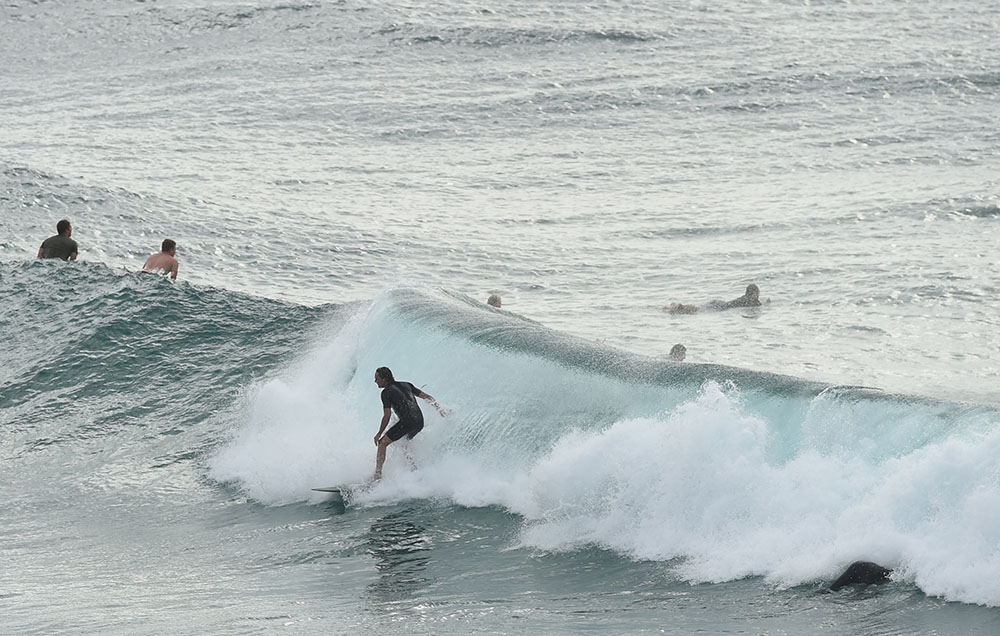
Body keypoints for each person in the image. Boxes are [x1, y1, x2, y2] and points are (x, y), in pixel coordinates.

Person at [372, 366, 447, 480]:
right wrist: (440, 409)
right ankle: (413, 469)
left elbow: (387, 416)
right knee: (404, 442)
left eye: (377, 378)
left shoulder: (386, 392)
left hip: (408, 422)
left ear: (384, 379)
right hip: (419, 421)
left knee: (382, 443)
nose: (375, 381)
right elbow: (427, 397)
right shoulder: (407, 384)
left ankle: (377, 477)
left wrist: (379, 434)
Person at [667, 284, 767, 314]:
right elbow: (760, 306)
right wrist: (767, 303)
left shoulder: (744, 297)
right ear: (755, 293)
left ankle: (676, 306)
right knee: (698, 310)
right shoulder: (753, 301)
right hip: (722, 306)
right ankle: (679, 306)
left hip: (720, 302)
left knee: (700, 308)